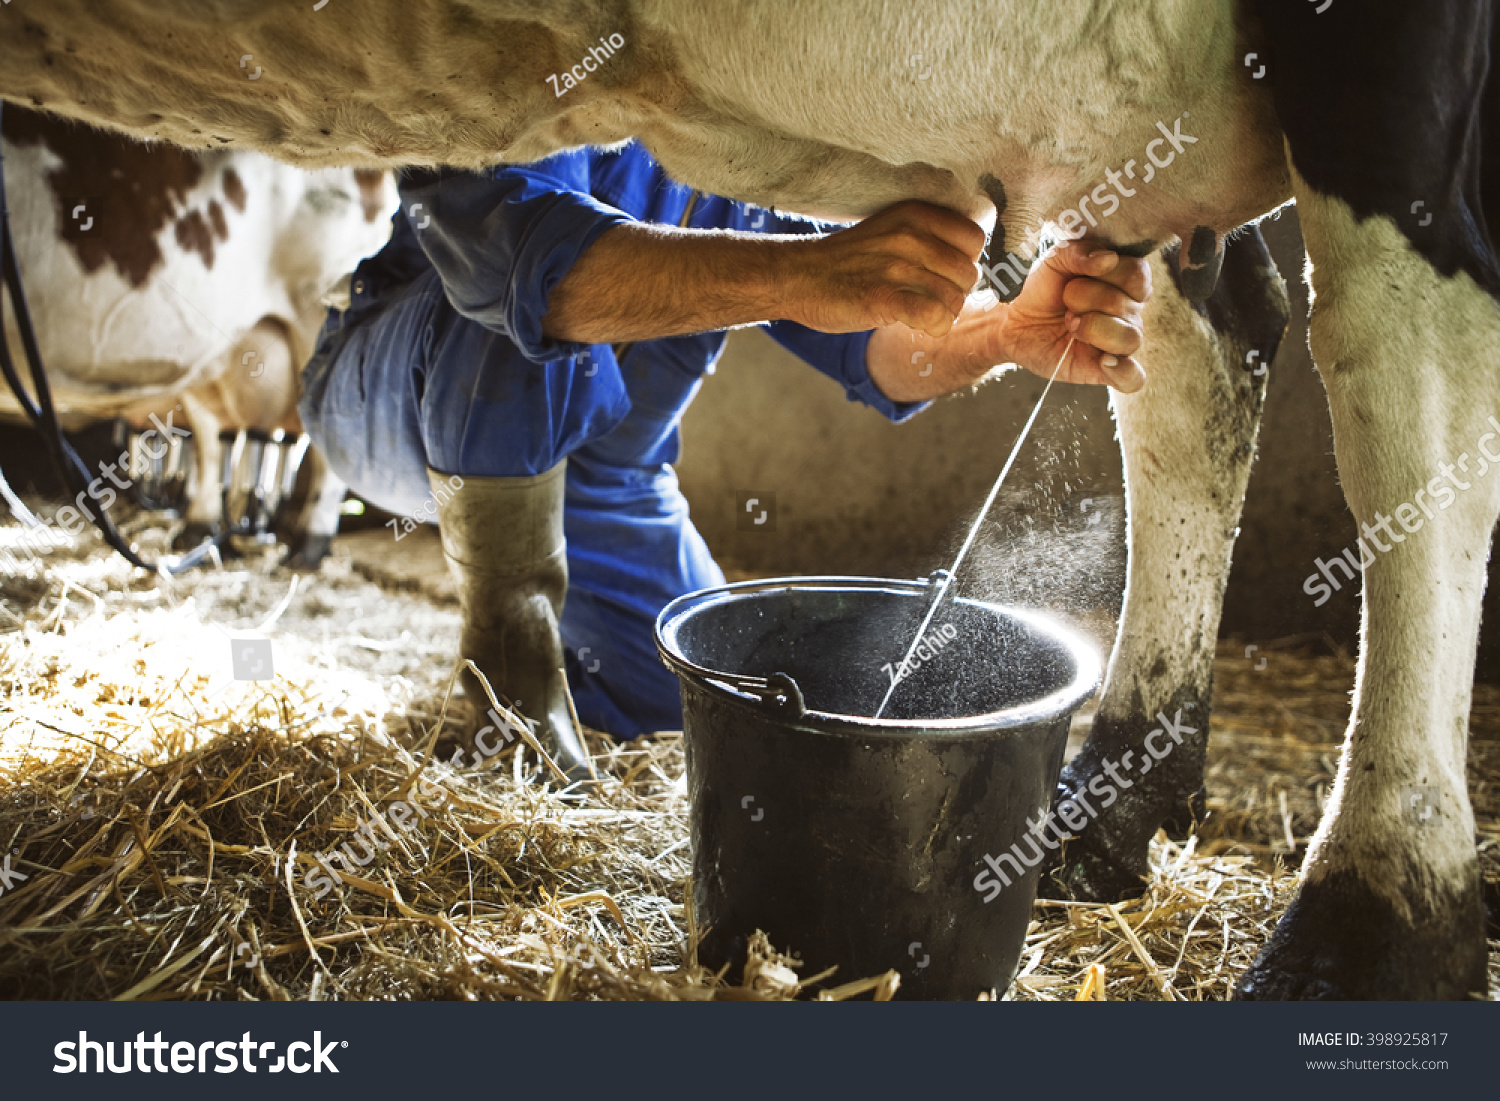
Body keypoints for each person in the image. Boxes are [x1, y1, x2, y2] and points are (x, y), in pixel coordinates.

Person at [299, 141, 1151, 779]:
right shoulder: (543, 54)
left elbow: (878, 346)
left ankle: (576, 670)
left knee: (701, 699)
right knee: (522, 305)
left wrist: (1003, 331)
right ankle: (508, 676)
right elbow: (523, 267)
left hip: (607, 484)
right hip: (391, 391)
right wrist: (808, 273)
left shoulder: (744, 133)